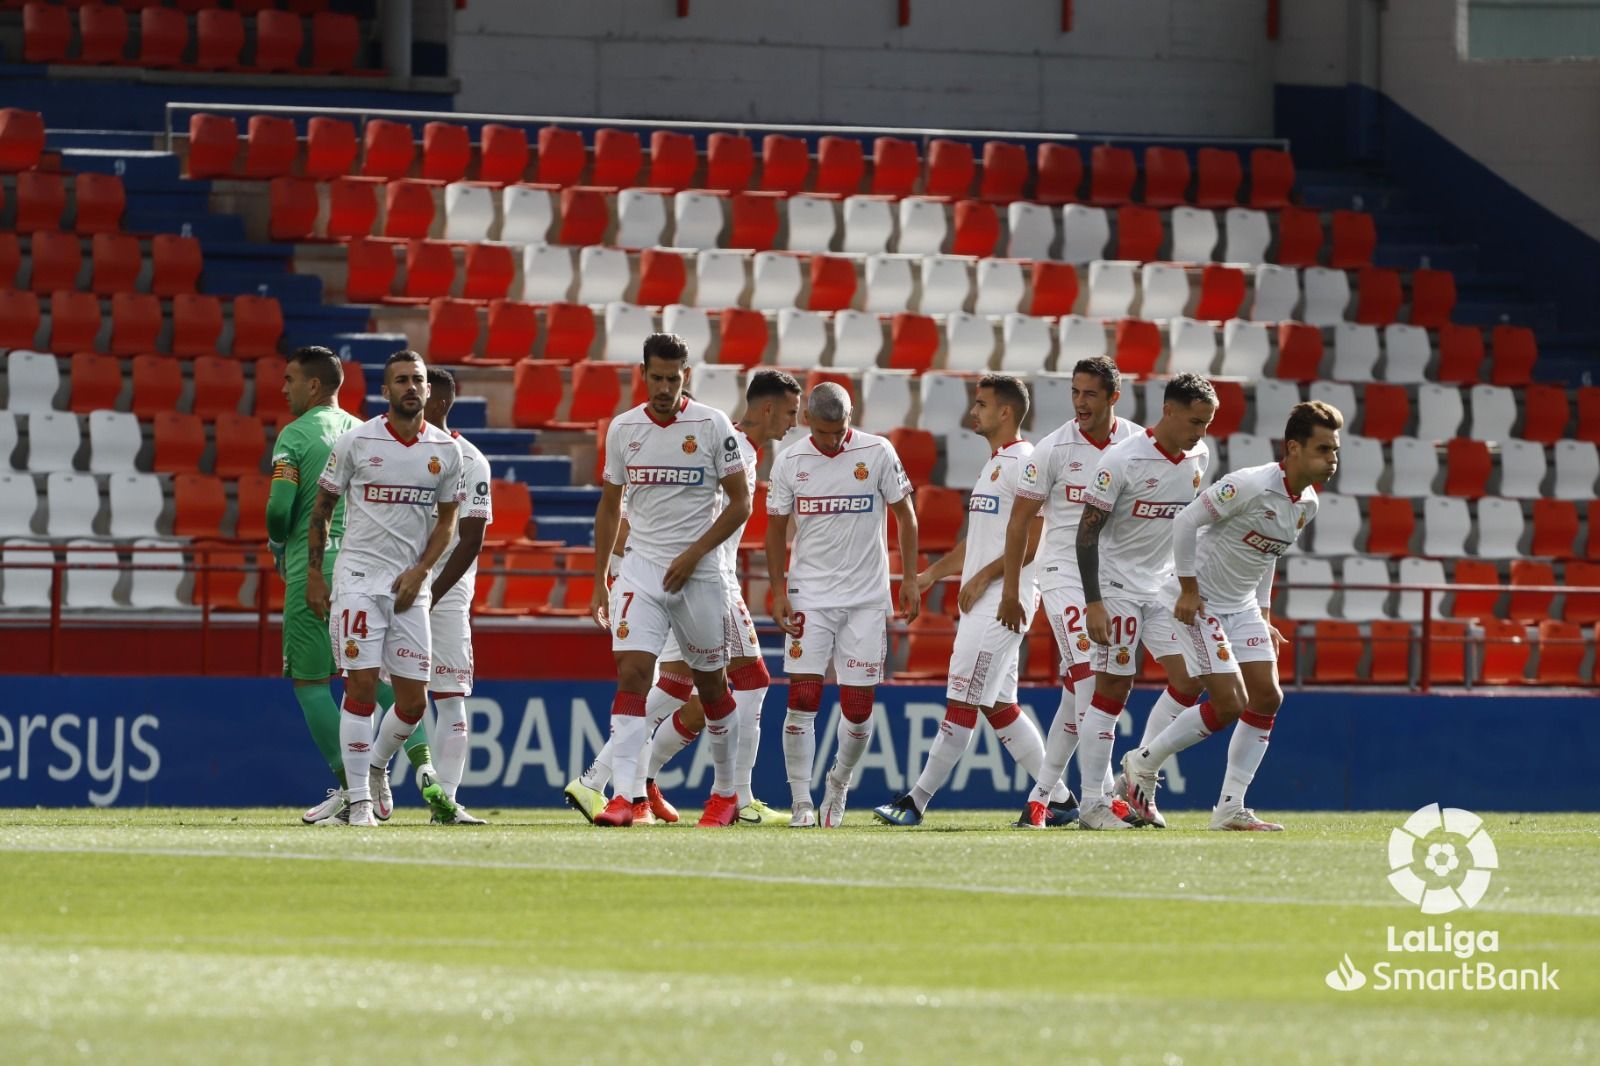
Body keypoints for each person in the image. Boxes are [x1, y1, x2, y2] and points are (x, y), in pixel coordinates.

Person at [566, 369, 801, 826]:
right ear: (768, 407)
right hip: (705, 581)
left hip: (688, 578)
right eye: (791, 412)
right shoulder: (730, 447)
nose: (794, 422)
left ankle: (609, 780)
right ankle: (740, 796)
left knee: (675, 686)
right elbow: (638, 512)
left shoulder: (729, 443)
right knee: (749, 681)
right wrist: (627, 563)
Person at [1118, 401, 1341, 832]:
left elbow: (1268, 553)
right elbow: (1185, 522)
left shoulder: (1307, 503)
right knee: (1228, 703)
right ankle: (1142, 763)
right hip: (1200, 604)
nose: (1331, 460)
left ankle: (1230, 808)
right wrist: (1187, 588)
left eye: (1334, 451)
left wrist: (1263, 614)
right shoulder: (1250, 485)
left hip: (1240, 608)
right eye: (1322, 450)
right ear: (1292, 448)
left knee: (1268, 698)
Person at [872, 375, 1074, 828]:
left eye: (981, 404)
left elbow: (1037, 535)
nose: (972, 412)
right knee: (998, 706)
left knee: (961, 700)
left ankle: (916, 801)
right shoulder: (994, 464)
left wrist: (984, 578)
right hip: (988, 600)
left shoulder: (1027, 462)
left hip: (1005, 602)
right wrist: (931, 575)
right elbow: (977, 542)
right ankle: (1059, 798)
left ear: (1006, 412)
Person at [587, 334, 752, 828]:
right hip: (641, 568)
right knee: (633, 673)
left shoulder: (711, 424)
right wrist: (600, 580)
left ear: (687, 376)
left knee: (712, 686)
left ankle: (725, 794)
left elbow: (742, 502)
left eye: (673, 378)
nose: (663, 387)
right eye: (656, 377)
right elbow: (610, 505)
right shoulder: (623, 429)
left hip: (699, 574)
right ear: (643, 374)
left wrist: (696, 553)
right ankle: (625, 798)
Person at [306, 351, 465, 828]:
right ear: (385, 390)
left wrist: (421, 572)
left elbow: (448, 522)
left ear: (428, 390)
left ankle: (374, 769)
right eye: (401, 380)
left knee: (414, 702)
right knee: (359, 687)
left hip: (408, 587)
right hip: (357, 580)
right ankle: (358, 805)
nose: (411, 387)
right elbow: (322, 509)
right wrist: (316, 573)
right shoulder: (356, 442)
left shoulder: (446, 452)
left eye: (417, 380)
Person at [765, 382, 920, 828]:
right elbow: (775, 529)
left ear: (852, 417)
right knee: (803, 697)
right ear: (808, 420)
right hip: (808, 597)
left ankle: (838, 782)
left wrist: (908, 578)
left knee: (857, 707)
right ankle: (800, 802)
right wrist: (777, 591)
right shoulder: (790, 460)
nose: (834, 440)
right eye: (826, 432)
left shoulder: (877, 452)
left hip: (866, 599)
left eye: (841, 431)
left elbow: (905, 516)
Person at [996, 356, 1140, 829]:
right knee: (1090, 680)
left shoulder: (1137, 444)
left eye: (1090, 394)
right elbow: (1019, 522)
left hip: (1111, 576)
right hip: (1061, 573)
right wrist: (1013, 589)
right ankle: (1096, 802)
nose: (1080, 403)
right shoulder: (1054, 449)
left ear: (1113, 397)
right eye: (1075, 393)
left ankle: (1040, 800)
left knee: (1074, 694)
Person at [1073, 373, 1216, 830]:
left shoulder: (1199, 455)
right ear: (1168, 411)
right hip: (1115, 587)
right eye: (1195, 420)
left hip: (1161, 587)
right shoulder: (1122, 460)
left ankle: (1137, 778)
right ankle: (1092, 804)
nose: (1201, 431)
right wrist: (1093, 602)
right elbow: (1086, 534)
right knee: (1113, 688)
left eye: (1208, 422)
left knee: (1191, 679)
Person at [419, 367, 494, 825]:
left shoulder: (470, 461)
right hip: (395, 586)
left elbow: (470, 540)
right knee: (389, 696)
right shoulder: (392, 452)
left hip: (442, 595)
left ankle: (445, 799)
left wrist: (430, 593)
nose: (410, 399)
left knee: (449, 697)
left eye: (421, 392)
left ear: (440, 401)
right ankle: (362, 790)